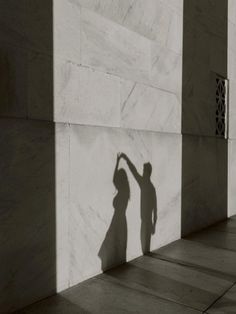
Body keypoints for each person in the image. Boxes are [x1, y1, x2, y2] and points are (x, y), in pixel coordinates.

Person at [98, 154, 130, 271]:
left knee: (115, 243)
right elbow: (114, 179)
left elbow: (113, 179)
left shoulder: (123, 192)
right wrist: (117, 162)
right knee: (115, 243)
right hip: (118, 219)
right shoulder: (125, 191)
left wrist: (117, 161)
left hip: (119, 219)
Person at [120, 153, 157, 254]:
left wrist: (154, 224)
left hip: (147, 223)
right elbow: (133, 171)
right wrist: (126, 158)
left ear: (148, 172)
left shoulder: (148, 186)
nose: (143, 172)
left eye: (144, 170)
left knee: (145, 249)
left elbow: (155, 208)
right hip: (144, 222)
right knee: (144, 248)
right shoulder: (145, 184)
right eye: (143, 170)